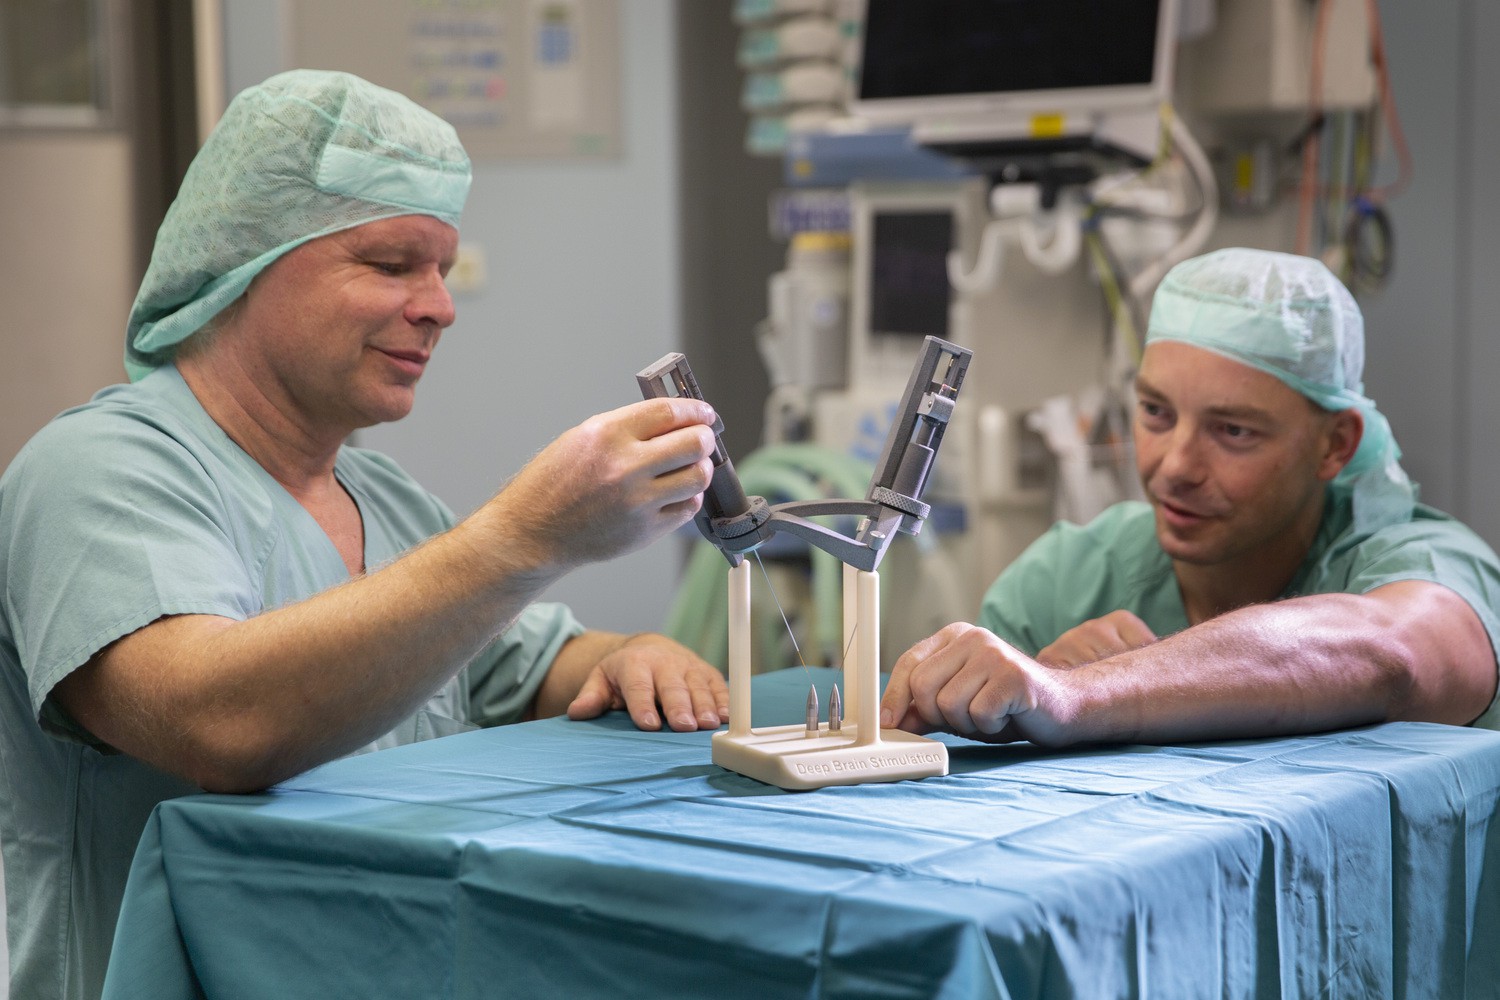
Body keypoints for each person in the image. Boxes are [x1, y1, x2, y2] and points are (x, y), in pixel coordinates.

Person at [0, 70, 727, 1000]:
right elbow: (217, 723)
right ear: (246, 262)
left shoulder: (380, 496)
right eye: (391, 265)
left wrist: (634, 656)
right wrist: (527, 535)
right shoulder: (99, 472)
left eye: (443, 270)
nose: (440, 306)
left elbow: (531, 665)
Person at [881, 247, 1500, 746]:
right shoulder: (1069, 578)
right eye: (1155, 412)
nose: (1175, 466)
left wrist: (1084, 693)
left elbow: (1392, 657)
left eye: (1233, 431)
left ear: (1334, 444)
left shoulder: (1425, 561)